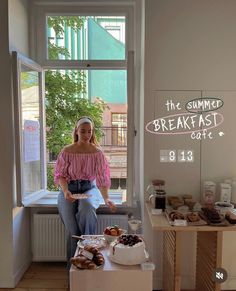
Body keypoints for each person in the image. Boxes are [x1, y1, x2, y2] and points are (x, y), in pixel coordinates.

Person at [54, 116, 116, 265]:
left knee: (87, 207)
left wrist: (106, 198)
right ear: (76, 131)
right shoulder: (67, 151)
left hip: (89, 187)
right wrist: (66, 191)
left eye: (89, 132)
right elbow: (60, 175)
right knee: (73, 232)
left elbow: (101, 179)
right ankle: (73, 272)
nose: (86, 135)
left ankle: (89, 256)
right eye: (83, 131)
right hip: (68, 189)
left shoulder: (97, 153)